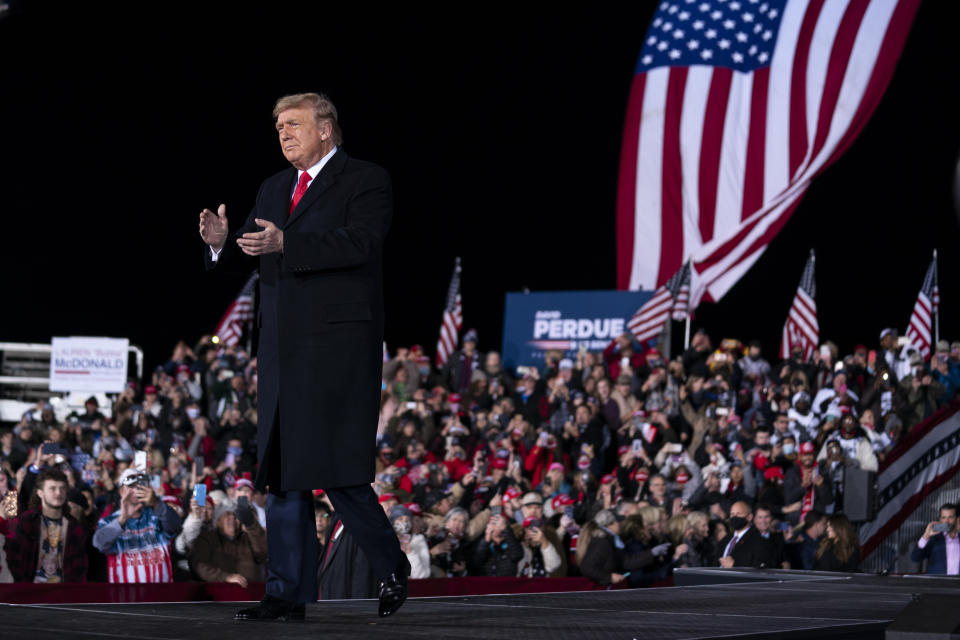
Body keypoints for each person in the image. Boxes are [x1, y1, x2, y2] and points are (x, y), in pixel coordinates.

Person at [199, 92, 407, 620]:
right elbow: (254, 246)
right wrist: (223, 243)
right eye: (278, 127)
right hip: (281, 353)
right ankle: (286, 592)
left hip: (337, 351)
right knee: (284, 473)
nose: (284, 134)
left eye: (294, 124)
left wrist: (288, 244)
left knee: (340, 474)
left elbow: (361, 242)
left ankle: (390, 566)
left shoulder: (365, 179)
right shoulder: (273, 187)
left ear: (326, 130)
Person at [93, 467, 182, 583]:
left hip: (161, 595)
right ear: (121, 491)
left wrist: (156, 503)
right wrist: (123, 519)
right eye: (131, 485)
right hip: (126, 597)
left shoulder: (157, 514)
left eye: (140, 485)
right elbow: (99, 543)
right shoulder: (109, 520)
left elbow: (175, 526)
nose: (136, 489)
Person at [1, 468, 88, 582]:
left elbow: (79, 569)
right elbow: (11, 557)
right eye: (52, 488)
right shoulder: (26, 522)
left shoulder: (75, 527)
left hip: (64, 595)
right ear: (40, 492)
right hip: (29, 594)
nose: (58, 492)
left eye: (62, 488)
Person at [718, 501, 775, 569]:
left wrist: (735, 565)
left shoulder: (759, 542)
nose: (734, 517)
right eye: (732, 514)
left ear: (749, 517)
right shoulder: (725, 540)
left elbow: (762, 568)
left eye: (738, 514)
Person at [911, 503, 959, 575]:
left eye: (950, 517)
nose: (946, 521)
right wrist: (926, 536)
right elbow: (915, 558)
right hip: (936, 584)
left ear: (957, 519)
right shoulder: (933, 538)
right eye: (943, 517)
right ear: (939, 519)